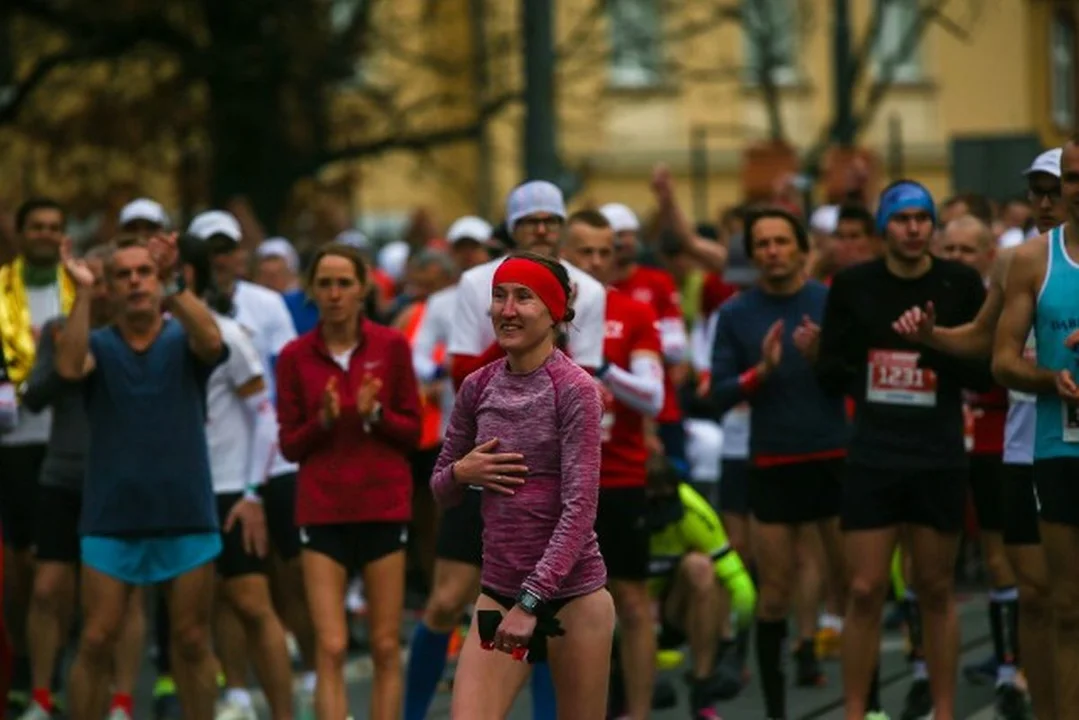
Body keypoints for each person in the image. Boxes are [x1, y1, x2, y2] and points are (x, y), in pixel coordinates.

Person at [405, 181, 606, 720]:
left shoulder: (578, 390)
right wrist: (462, 472)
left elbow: (580, 509)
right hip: (498, 592)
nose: (507, 310)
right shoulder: (477, 386)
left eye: (524, 298)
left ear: (555, 311)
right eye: (500, 296)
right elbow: (441, 489)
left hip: (572, 595)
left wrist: (534, 603)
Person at [891, 147, 1064, 720]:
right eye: (1035, 192)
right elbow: (984, 341)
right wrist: (935, 337)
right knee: (1038, 597)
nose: (1044, 203)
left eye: (1054, 189)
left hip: (1062, 446)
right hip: (1024, 449)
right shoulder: (1017, 262)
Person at [817, 180, 991, 720]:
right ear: (883, 228)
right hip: (874, 452)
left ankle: (943, 711)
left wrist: (933, 342)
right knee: (865, 588)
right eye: (902, 219)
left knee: (934, 587)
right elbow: (834, 373)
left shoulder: (960, 283)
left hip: (937, 450)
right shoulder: (852, 285)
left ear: (932, 225)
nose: (914, 229)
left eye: (922, 218)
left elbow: (983, 373)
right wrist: (820, 357)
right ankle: (854, 711)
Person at [54, 232, 226, 720]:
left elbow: (212, 342)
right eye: (123, 274)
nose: (134, 282)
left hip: (185, 511)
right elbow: (68, 368)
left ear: (159, 280)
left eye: (143, 272)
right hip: (111, 515)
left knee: (192, 641)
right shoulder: (98, 345)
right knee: (95, 638)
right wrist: (84, 293)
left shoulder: (182, 337)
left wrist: (174, 282)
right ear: (109, 285)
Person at [709, 208, 849, 718]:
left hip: (833, 455)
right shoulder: (736, 313)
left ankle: (868, 701)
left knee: (855, 586)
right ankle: (774, 710)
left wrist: (820, 359)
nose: (771, 251)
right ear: (752, 253)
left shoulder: (830, 303)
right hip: (772, 462)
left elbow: (855, 379)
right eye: (762, 243)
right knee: (774, 596)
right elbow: (718, 395)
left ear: (800, 247)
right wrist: (759, 373)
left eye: (781, 242)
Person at [275, 242, 422, 720]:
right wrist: (322, 420)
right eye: (325, 284)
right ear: (312, 292)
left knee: (383, 645)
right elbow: (290, 446)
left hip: (382, 505)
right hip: (323, 509)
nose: (335, 293)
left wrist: (373, 413)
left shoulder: (391, 346)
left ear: (364, 290)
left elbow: (412, 432)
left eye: (344, 283)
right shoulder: (295, 356)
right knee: (332, 645)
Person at [185, 211, 315, 712]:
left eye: (228, 249)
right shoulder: (170, 322)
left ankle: (305, 680)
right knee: (218, 596)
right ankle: (236, 690)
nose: (222, 259)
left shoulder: (258, 309)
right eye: (211, 251)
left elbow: (279, 389)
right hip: (204, 480)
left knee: (286, 581)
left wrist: (254, 487)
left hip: (268, 468)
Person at [19, 246, 145, 720]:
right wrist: (69, 372)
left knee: (122, 598)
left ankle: (122, 700)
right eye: (85, 279)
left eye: (104, 279)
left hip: (115, 480)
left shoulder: (135, 335)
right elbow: (33, 398)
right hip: (62, 474)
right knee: (48, 589)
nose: (98, 287)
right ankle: (41, 697)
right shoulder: (57, 332)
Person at [561, 209, 668, 719]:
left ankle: (639, 712)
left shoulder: (634, 313)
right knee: (564, 605)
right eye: (586, 251)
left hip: (619, 474)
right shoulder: (542, 313)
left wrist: (604, 368)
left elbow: (653, 396)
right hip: (556, 480)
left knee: (631, 598)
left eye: (607, 250)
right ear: (565, 254)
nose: (599, 261)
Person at [992, 137, 1079, 720]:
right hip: (1061, 446)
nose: (1074, 190)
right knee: (1067, 608)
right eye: (1069, 178)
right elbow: (1000, 360)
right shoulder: (1030, 260)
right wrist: (1050, 378)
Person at [0, 198, 75, 714]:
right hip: (14, 442)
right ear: (20, 234)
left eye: (55, 227)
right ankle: (28, 664)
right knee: (22, 565)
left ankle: (60, 667)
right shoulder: (2, 288)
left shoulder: (83, 285)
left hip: (71, 440)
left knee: (67, 568)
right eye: (37, 227)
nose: (46, 235)